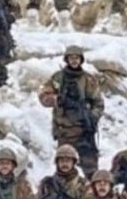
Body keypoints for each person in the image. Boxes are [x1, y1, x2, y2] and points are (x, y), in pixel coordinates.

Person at [39, 45, 105, 177]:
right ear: (66, 59)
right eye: (71, 58)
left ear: (81, 60)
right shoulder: (58, 78)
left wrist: (92, 117)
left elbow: (99, 103)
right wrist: (56, 100)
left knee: (91, 170)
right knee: (64, 170)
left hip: (84, 131)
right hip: (64, 132)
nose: (74, 61)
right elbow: (43, 97)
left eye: (77, 58)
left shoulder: (88, 80)